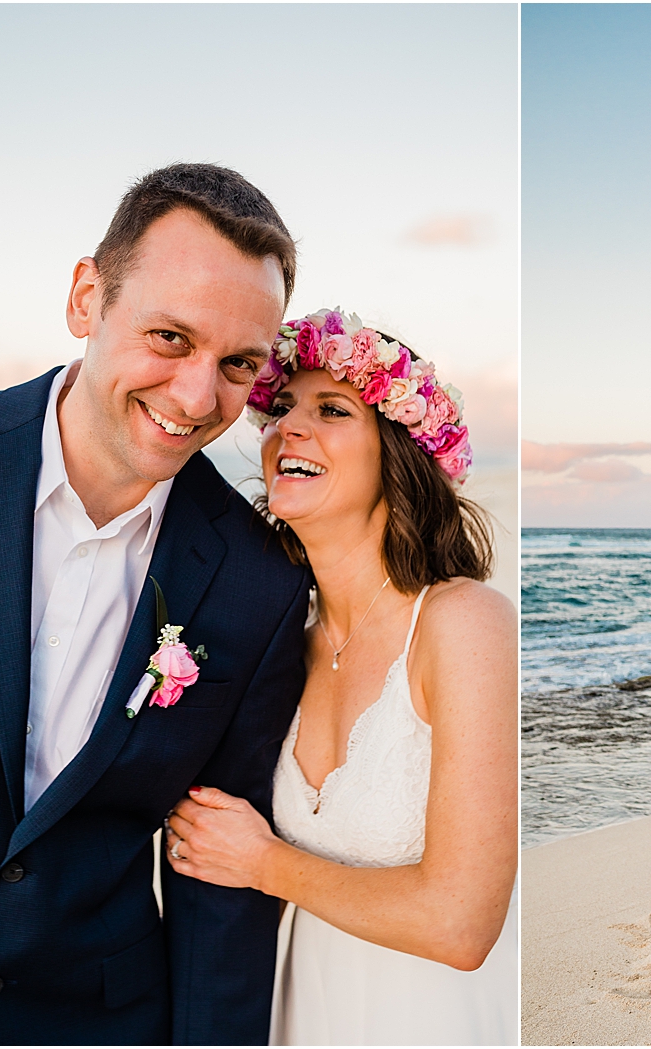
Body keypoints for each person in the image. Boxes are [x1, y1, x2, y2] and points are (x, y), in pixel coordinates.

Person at [0, 164, 310, 1044]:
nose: (199, 398)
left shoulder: (260, 581)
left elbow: (215, 876)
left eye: (237, 364)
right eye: (170, 337)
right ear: (87, 298)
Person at [162, 310, 518, 1045]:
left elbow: (461, 922)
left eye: (331, 410)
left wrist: (262, 861)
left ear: (399, 455)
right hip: (308, 1011)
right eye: (281, 408)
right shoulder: (279, 646)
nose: (288, 426)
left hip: (431, 1019)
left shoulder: (462, 622)